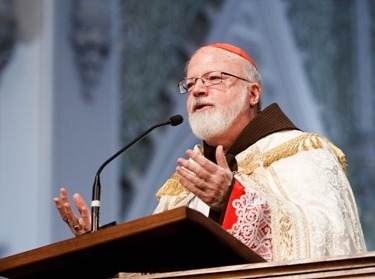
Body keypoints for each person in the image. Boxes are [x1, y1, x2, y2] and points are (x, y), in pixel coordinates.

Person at [54, 42, 366, 262]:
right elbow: (152, 264)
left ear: (253, 93)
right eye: (190, 85)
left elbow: (331, 242)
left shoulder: (303, 153)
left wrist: (233, 200)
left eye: (214, 79)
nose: (198, 90)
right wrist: (96, 248)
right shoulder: (184, 183)